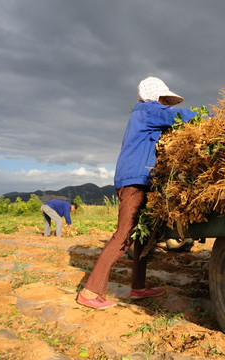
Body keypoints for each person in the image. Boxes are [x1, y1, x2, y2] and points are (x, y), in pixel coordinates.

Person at [76, 77, 198, 309]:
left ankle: (138, 288)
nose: (167, 105)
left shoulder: (146, 115)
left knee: (143, 237)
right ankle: (90, 291)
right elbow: (180, 117)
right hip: (134, 182)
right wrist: (212, 118)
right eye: (164, 100)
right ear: (156, 98)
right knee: (124, 235)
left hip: (142, 180)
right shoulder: (149, 110)